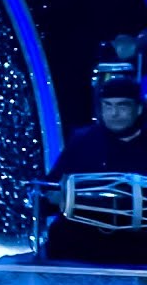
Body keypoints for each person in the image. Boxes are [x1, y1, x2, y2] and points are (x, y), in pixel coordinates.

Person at [43, 76, 147, 265]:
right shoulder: (83, 140)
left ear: (138, 109)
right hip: (87, 238)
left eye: (122, 106)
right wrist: (56, 196)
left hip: (138, 239)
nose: (114, 113)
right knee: (61, 237)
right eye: (108, 106)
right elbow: (52, 186)